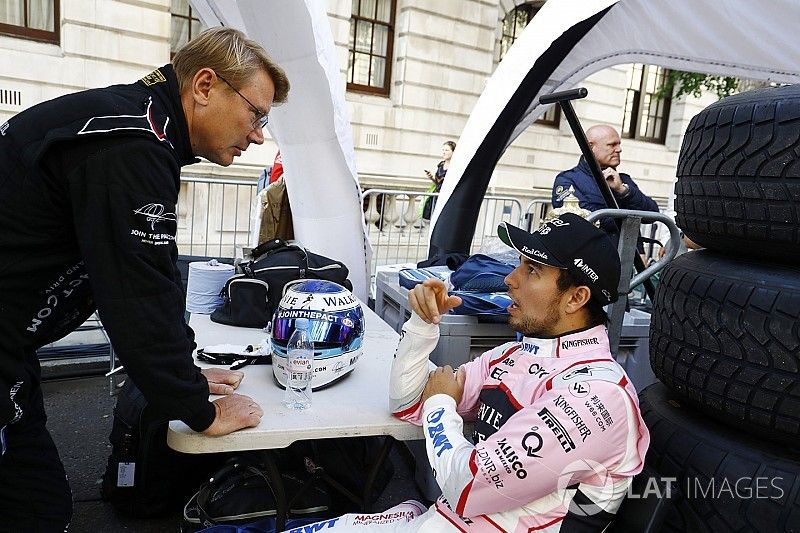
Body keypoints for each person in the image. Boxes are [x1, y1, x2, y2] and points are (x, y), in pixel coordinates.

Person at [0, 27, 289, 531]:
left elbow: (152, 271)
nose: (259, 134)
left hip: (10, 341)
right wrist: (198, 410)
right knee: (33, 506)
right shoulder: (134, 143)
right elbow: (137, 294)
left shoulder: (140, 127)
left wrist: (185, 375)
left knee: (34, 498)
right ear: (204, 86)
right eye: (256, 113)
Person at [288, 213, 650, 532]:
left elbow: (466, 486)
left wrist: (442, 403)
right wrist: (423, 326)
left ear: (576, 298)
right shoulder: (514, 354)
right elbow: (407, 404)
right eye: (519, 264)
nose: (510, 279)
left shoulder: (600, 397)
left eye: (532, 270)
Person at [552, 125, 659, 236]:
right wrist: (630, 219)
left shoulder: (623, 180)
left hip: (627, 252)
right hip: (592, 251)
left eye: (619, 144)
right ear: (590, 147)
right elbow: (584, 219)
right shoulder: (567, 180)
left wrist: (623, 191)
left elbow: (653, 214)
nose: (619, 149)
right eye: (612, 145)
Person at [418, 141, 456, 226]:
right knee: (432, 219)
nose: (444, 152)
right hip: (436, 195)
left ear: (453, 152)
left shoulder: (455, 166)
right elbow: (438, 182)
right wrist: (431, 177)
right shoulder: (440, 165)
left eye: (446, 150)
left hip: (446, 197)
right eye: (443, 150)